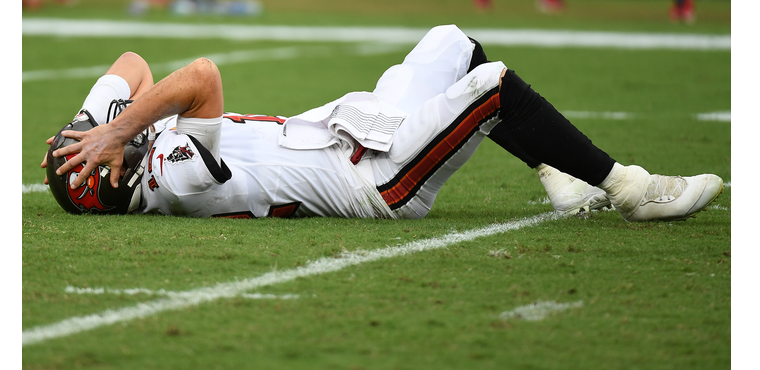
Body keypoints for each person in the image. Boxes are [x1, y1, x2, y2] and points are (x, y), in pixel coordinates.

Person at [42, 25, 723, 222]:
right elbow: (202, 76)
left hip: (356, 130)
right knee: (492, 87)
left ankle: (556, 170)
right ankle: (633, 188)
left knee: (452, 44)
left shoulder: (127, 148)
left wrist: (95, 126)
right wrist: (112, 134)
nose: (97, 135)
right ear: (107, 178)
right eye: (88, 149)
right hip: (374, 179)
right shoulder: (168, 180)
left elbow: (131, 63)